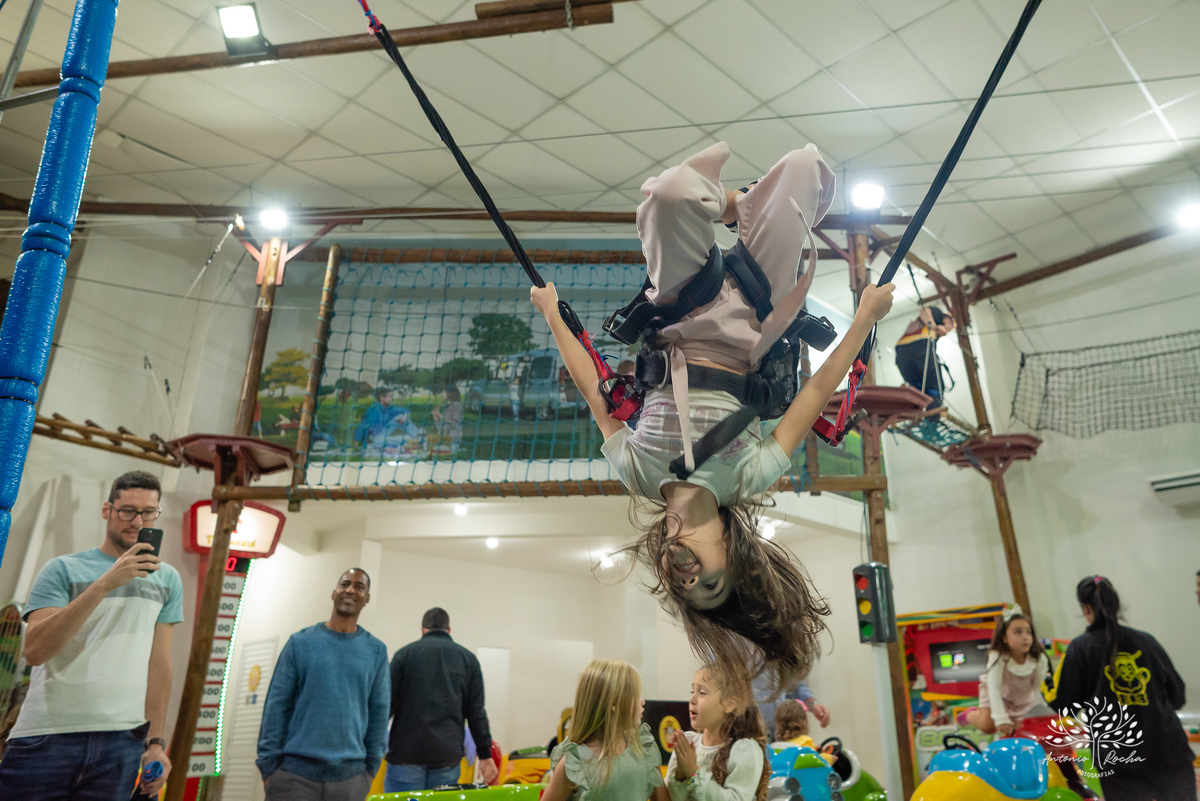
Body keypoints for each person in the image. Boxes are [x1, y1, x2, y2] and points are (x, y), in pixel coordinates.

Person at [531, 141, 896, 692]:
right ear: (732, 554)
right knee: (801, 169)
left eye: (683, 586)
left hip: (679, 312)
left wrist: (552, 315)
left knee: (669, 194)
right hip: (753, 323)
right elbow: (819, 389)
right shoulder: (748, 474)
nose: (688, 576)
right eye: (709, 581)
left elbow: (592, 389)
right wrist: (865, 319)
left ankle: (734, 204)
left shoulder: (640, 474)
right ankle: (749, 205)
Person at [0, 470, 183, 800]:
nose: (137, 521)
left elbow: (160, 667)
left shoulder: (167, 579)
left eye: (147, 512)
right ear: (107, 510)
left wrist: (156, 743)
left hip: (122, 741)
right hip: (47, 736)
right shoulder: (62, 569)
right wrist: (105, 583)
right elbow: (35, 650)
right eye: (127, 510)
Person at [1052, 576, 1195, 801]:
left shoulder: (1080, 648)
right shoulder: (1147, 641)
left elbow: (1065, 704)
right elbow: (1177, 695)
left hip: (1119, 756)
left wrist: (1047, 686)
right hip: (1167, 749)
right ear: (1115, 604)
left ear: (1085, 608)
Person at [256, 568, 389, 801]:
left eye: (359, 587)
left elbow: (379, 713)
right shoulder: (300, 643)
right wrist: (268, 768)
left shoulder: (376, 651)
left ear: (367, 598)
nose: (350, 590)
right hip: (293, 779)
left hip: (350, 782)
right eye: (345, 584)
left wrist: (369, 772)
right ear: (334, 593)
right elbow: (276, 707)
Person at [385, 608, 498, 792]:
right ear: (449, 629)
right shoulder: (468, 660)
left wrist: (368, 747)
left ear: (422, 629)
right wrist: (485, 755)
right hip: (446, 757)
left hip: (405, 756)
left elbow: (386, 706)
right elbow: (477, 712)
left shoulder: (403, 656)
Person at [543, 660, 663, 801]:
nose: (642, 701)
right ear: (613, 703)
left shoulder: (643, 749)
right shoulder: (574, 763)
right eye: (636, 695)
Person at [666, 665, 769, 801]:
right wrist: (680, 776)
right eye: (692, 691)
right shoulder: (689, 742)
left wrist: (693, 773)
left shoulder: (744, 749)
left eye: (702, 692)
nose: (692, 700)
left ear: (729, 704)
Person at [956, 606, 1051, 735]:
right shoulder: (998, 656)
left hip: (1021, 698)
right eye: (1018, 632)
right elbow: (994, 688)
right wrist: (1001, 718)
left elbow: (1036, 689)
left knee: (1023, 728)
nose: (1025, 637)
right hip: (996, 693)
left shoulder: (1039, 659)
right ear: (1004, 638)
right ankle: (969, 715)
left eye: (1028, 632)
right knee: (988, 726)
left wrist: (1041, 713)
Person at [894, 306, 955, 410]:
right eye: (947, 328)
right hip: (920, 347)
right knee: (936, 389)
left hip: (901, 352)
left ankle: (916, 414)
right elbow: (924, 310)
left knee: (916, 389)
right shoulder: (937, 315)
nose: (946, 332)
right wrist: (936, 327)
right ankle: (932, 419)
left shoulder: (930, 331)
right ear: (946, 320)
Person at [753, 674, 830, 736]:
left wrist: (813, 705)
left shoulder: (784, 658)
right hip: (753, 732)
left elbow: (796, 685)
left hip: (780, 734)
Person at [432, 387, 465, 454]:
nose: (442, 394)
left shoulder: (457, 406)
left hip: (453, 441)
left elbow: (455, 424)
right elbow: (442, 428)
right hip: (445, 441)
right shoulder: (447, 407)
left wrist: (441, 416)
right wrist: (436, 419)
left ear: (449, 394)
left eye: (443, 392)